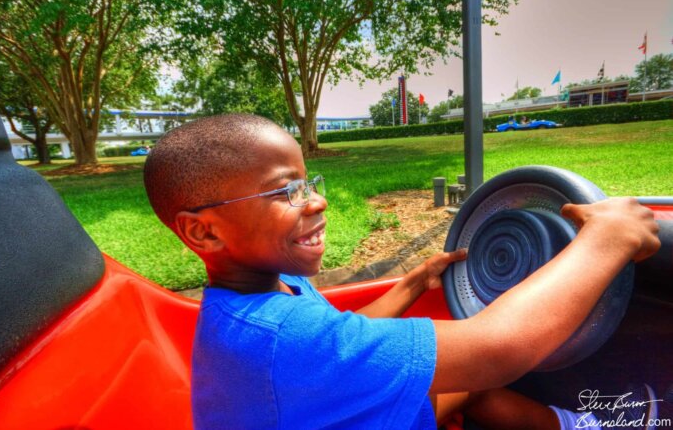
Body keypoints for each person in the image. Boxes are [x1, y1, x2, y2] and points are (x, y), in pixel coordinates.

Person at [143, 114, 660, 430]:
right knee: (474, 373)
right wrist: (606, 240)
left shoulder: (269, 287)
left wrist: (413, 281)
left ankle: (569, 424)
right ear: (203, 233)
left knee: (459, 383)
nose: (317, 200)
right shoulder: (280, 339)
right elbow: (497, 350)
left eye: (309, 181)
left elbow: (347, 335)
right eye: (286, 191)